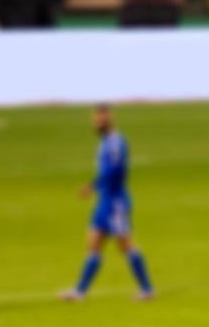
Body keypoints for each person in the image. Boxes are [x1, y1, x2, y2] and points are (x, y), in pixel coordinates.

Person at [61, 104, 155, 301]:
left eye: (99, 120)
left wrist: (92, 186)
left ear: (108, 120)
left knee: (126, 245)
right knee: (93, 243)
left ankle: (147, 290)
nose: (95, 124)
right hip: (105, 201)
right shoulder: (105, 143)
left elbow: (114, 171)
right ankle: (80, 291)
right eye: (94, 120)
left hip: (115, 202)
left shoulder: (115, 143)